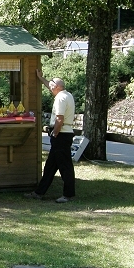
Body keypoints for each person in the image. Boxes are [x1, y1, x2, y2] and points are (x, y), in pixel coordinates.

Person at [25, 70, 76, 203]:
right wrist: (41, 78)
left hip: (61, 135)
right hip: (65, 134)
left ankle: (68, 195)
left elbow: (59, 118)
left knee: (65, 166)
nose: (50, 87)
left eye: (52, 85)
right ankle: (39, 192)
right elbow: (51, 85)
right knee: (50, 167)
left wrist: (55, 133)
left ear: (57, 87)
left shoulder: (60, 98)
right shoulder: (67, 94)